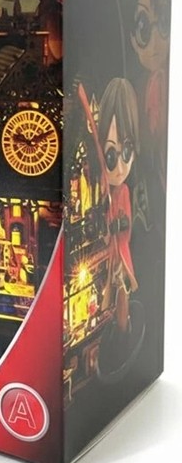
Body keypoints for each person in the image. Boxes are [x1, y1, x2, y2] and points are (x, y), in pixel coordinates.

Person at [98, 78, 139, 339]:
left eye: (127, 153)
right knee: (106, 290)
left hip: (119, 252)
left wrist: (119, 226)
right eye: (112, 156)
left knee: (121, 286)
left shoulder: (123, 191)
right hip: (106, 252)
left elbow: (128, 227)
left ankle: (123, 330)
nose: (121, 168)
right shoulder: (101, 191)